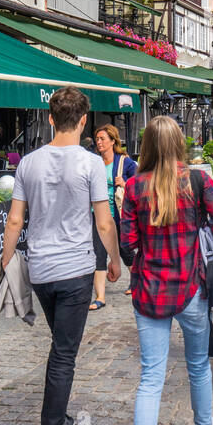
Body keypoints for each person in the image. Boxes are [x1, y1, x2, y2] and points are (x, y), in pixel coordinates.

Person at [0, 86, 119, 425]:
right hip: (75, 271)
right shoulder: (90, 164)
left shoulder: (28, 163)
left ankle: (59, 418)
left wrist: (5, 262)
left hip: (41, 271)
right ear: (83, 121)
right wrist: (115, 259)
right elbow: (103, 222)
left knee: (60, 347)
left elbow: (15, 219)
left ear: (51, 118)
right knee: (64, 354)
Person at [120, 116, 213, 425]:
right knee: (197, 364)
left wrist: (137, 265)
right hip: (190, 288)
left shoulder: (134, 186)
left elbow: (128, 243)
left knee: (151, 376)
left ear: (147, 146)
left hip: (149, 290)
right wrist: (202, 235)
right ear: (179, 144)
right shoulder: (198, 180)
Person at [90, 124, 137, 311]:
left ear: (112, 141)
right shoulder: (94, 162)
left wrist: (125, 183)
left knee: (125, 249)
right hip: (98, 216)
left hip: (119, 214)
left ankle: (135, 281)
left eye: (102, 138)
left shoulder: (124, 162)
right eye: (97, 139)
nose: (99, 142)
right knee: (98, 252)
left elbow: (140, 183)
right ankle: (100, 296)